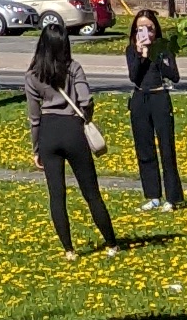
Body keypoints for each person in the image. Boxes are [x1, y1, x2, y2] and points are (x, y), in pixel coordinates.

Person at [26, 16, 120, 252]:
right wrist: (86, 117)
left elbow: (34, 117)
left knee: (57, 196)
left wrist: (36, 148)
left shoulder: (33, 75)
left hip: (48, 132)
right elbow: (85, 100)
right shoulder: (74, 68)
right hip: (72, 129)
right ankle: (111, 244)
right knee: (91, 192)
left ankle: (69, 250)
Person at [124, 5, 185, 210]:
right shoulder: (132, 49)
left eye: (149, 28)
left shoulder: (163, 47)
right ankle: (152, 195)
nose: (145, 33)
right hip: (141, 98)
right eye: (140, 29)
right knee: (144, 148)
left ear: (155, 29)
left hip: (160, 97)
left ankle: (172, 197)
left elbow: (174, 76)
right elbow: (134, 75)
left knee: (166, 148)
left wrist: (155, 55)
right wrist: (142, 54)